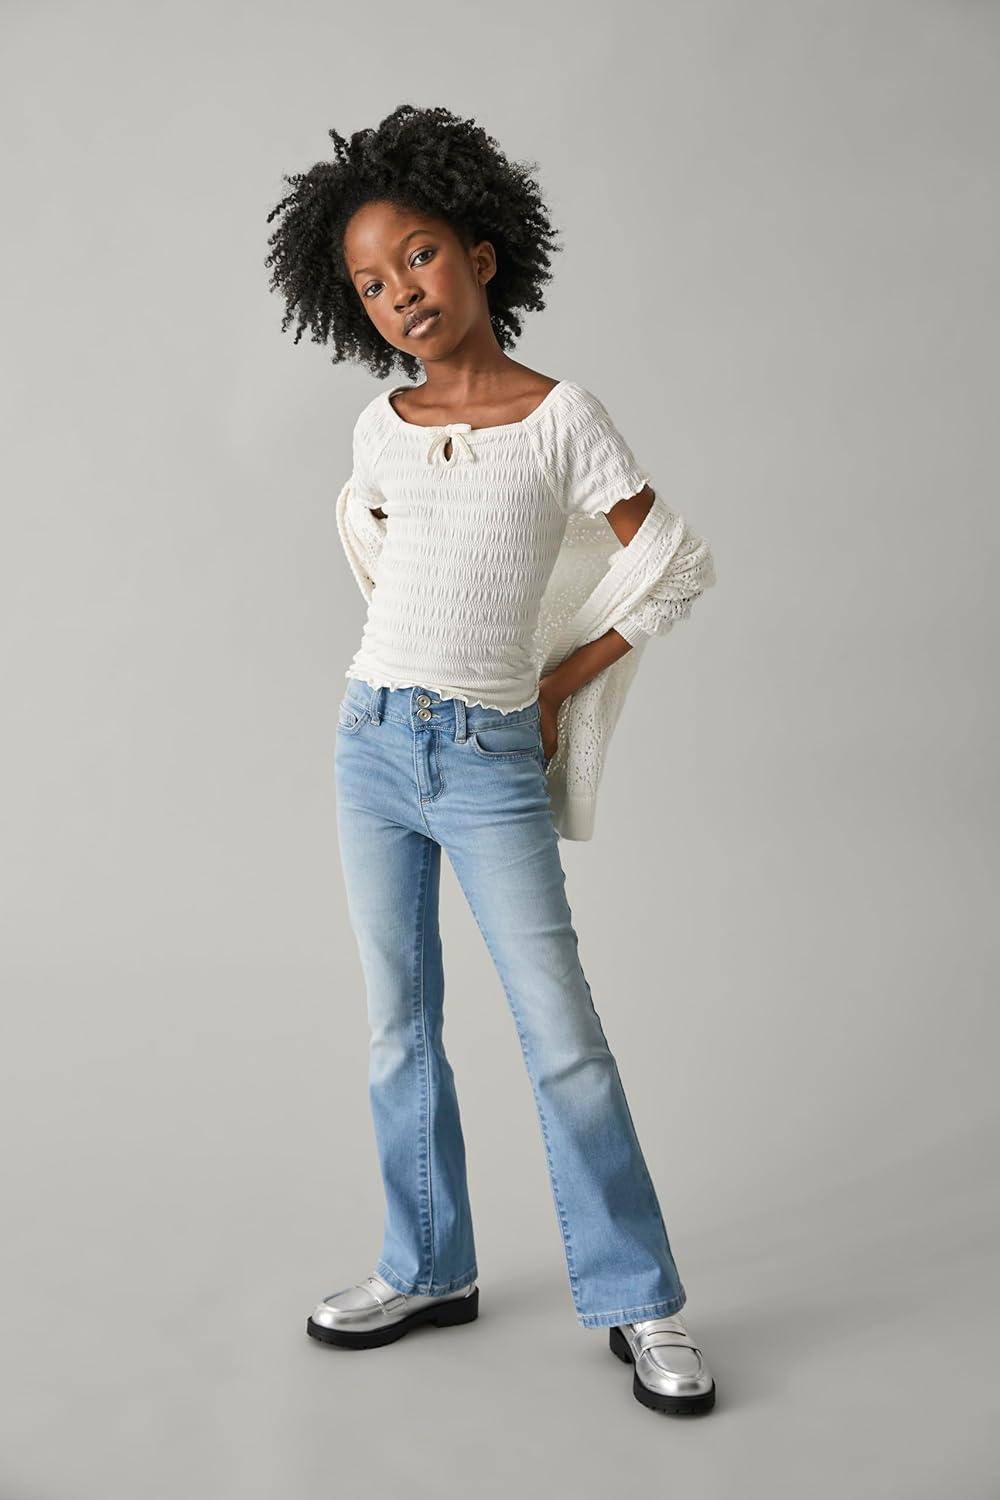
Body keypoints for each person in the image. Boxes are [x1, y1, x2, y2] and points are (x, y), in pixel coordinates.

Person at [266, 104, 717, 1416]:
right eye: (370, 282)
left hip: (484, 755)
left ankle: (640, 1301)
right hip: (370, 742)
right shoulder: (382, 427)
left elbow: (673, 562)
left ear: (479, 252)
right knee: (397, 1027)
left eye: (417, 256)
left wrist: (552, 685)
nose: (400, 292)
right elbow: (386, 554)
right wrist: (408, 679)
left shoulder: (563, 416)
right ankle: (427, 1269)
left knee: (561, 1036)